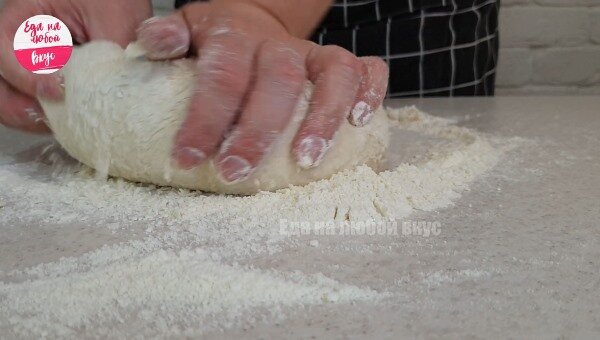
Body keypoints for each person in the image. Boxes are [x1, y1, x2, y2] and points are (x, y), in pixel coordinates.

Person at [0, 0, 498, 184]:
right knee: (219, 89)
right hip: (214, 31)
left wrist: (260, 8)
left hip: (405, 23)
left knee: (344, 111)